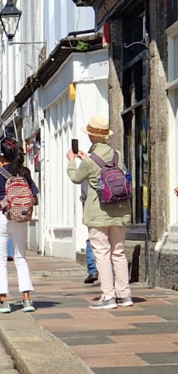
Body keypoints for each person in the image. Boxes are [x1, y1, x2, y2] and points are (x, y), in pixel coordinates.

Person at [66, 115, 132, 309]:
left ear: (91, 136)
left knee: (102, 253)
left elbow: (76, 178)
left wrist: (71, 161)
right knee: (118, 252)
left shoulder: (90, 161)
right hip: (120, 210)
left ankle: (108, 296)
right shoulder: (118, 155)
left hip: (98, 211)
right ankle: (124, 294)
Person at [0, 138, 39, 313]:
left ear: (0, 155)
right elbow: (34, 195)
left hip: (0, 214)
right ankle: (27, 300)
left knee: (0, 259)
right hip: (20, 216)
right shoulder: (24, 172)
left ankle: (3, 301)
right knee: (21, 258)